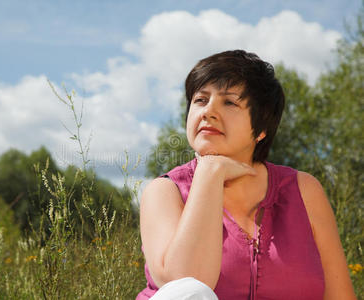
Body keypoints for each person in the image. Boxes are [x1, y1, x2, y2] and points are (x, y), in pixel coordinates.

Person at [137, 50, 356, 300]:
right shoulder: (166, 191)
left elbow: (340, 296)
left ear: (261, 128)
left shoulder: (303, 190)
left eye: (229, 102)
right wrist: (210, 173)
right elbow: (185, 288)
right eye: (200, 100)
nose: (208, 112)